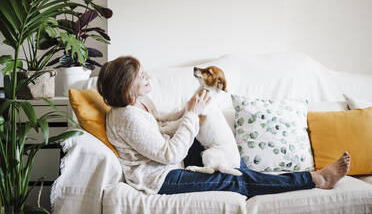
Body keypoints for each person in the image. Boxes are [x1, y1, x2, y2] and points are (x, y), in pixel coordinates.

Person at [97, 56, 351, 198]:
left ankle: (256, 179)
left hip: (168, 163)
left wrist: (189, 112)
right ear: (126, 86)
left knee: (230, 163)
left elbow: (161, 126)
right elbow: (169, 154)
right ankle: (315, 179)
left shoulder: (140, 103)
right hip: (161, 177)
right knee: (232, 179)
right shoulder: (126, 117)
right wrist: (192, 115)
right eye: (141, 77)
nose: (148, 77)